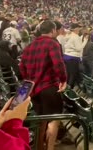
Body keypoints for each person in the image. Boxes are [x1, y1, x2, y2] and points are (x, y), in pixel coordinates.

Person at [20, 20, 67, 150]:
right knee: (53, 120)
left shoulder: (30, 46)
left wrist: (30, 82)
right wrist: (63, 80)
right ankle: (50, 148)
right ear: (52, 31)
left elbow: (22, 67)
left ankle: (40, 147)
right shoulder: (52, 43)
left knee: (41, 121)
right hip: (49, 87)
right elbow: (58, 64)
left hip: (33, 89)